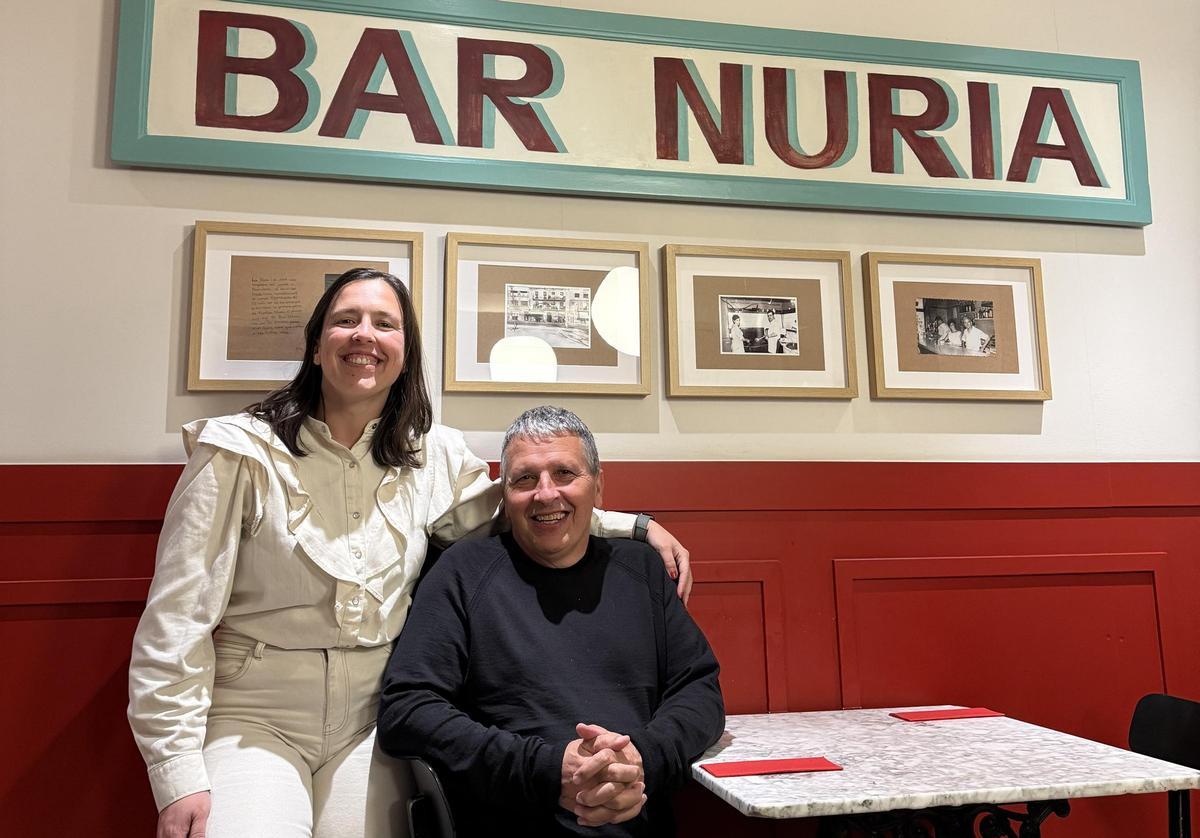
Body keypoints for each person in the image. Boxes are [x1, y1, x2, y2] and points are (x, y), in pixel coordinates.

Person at [128, 269, 693, 838]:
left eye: (385, 323)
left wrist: (633, 526)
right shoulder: (238, 450)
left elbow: (519, 512)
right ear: (317, 346)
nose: (363, 335)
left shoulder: (436, 455)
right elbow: (176, 624)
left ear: (405, 352)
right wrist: (176, 773)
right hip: (254, 715)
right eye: (345, 320)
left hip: (372, 722)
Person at [377, 406, 725, 836]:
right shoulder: (462, 572)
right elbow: (407, 711)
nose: (545, 494)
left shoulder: (642, 571)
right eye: (524, 479)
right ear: (504, 495)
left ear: (598, 487)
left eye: (564, 473)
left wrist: (640, 759)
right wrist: (548, 770)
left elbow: (699, 690)